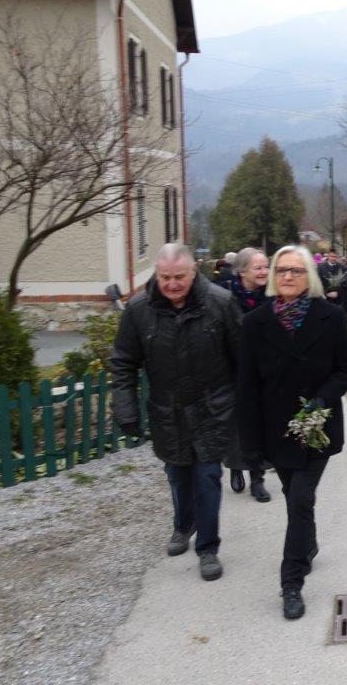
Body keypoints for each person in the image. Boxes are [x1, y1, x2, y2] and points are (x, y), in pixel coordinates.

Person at [236, 245, 347, 620]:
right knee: (295, 496)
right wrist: (249, 445)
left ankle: (291, 582)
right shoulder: (255, 323)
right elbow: (247, 386)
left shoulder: (331, 317)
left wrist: (321, 400)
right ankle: (307, 543)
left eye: (296, 270)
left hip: (317, 427)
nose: (287, 276)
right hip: (276, 428)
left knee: (300, 498)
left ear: (310, 277)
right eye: (281, 270)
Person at [111, 243, 241, 582]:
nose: (172, 284)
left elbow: (243, 359)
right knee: (178, 475)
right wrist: (125, 410)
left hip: (213, 409)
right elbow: (123, 362)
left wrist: (247, 409)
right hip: (168, 412)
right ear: (157, 274)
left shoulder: (220, 303)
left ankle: (208, 547)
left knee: (208, 477)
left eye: (179, 277)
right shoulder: (139, 309)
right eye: (165, 277)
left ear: (193, 271)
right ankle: (183, 525)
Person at [224, 247, 272, 502]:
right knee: (236, 424)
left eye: (266, 267)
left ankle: (257, 478)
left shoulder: (273, 295)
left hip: (263, 370)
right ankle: (235, 465)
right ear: (242, 271)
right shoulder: (226, 298)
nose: (264, 272)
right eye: (258, 268)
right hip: (233, 370)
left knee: (260, 423)